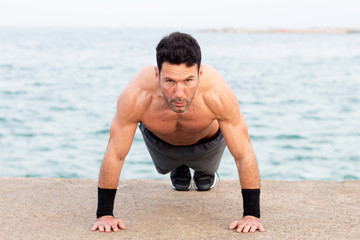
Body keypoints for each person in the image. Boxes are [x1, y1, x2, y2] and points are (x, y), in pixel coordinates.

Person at [91, 32, 264, 234]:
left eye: (188, 80)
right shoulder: (137, 95)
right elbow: (116, 153)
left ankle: (204, 171)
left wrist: (251, 215)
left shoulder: (217, 94)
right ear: (157, 75)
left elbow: (243, 153)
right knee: (178, 179)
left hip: (207, 143)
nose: (179, 93)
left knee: (204, 182)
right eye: (170, 81)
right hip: (161, 143)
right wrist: (104, 214)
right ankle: (179, 167)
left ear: (200, 74)